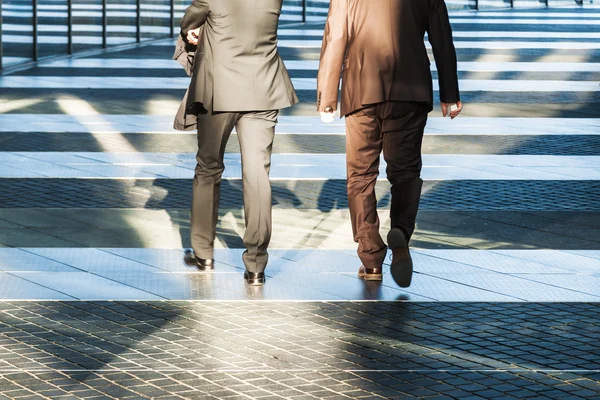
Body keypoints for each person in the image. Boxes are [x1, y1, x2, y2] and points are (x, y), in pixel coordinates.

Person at [317, 0, 462, 287]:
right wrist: (450, 91)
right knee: (405, 171)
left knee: (360, 175)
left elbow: (336, 37)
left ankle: (371, 258)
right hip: (410, 88)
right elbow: (441, 37)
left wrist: (328, 96)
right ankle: (401, 232)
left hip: (361, 89)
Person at [179, 0, 298, 286]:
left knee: (208, 167)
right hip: (264, 89)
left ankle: (203, 252)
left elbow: (188, 24)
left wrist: (191, 33)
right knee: (258, 176)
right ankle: (256, 264)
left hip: (220, 89)